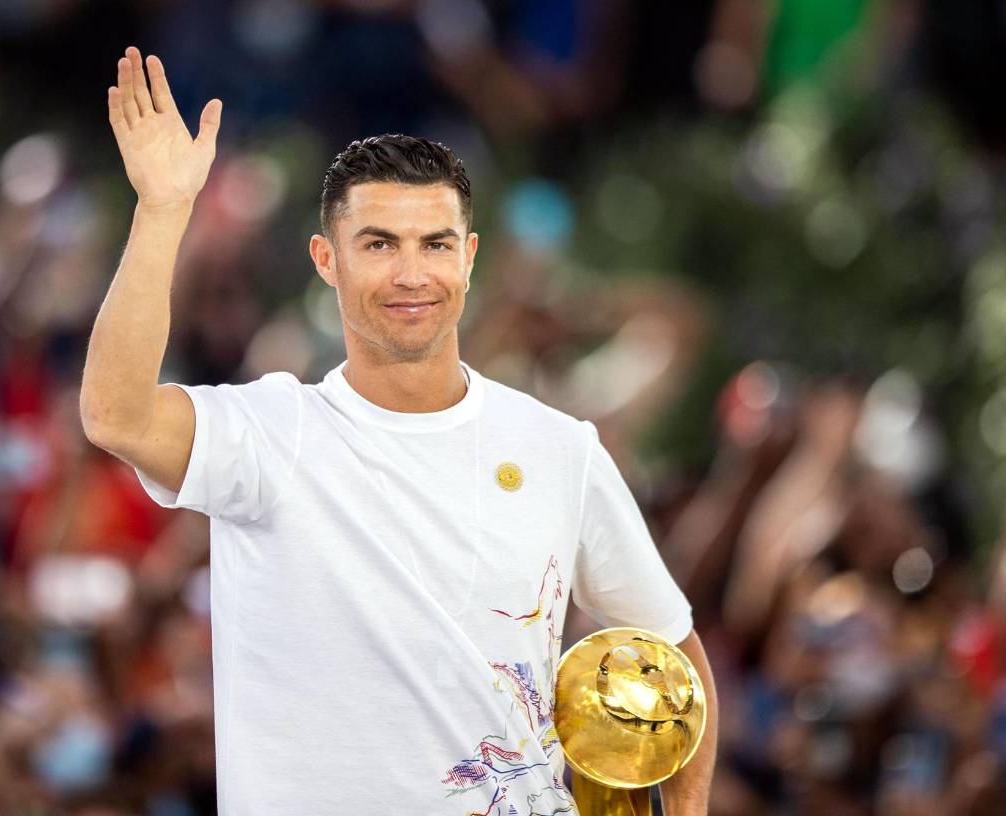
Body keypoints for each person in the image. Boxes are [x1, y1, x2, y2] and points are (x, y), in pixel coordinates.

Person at [80, 46, 718, 815]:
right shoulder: (269, 433)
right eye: (379, 244)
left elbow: (675, 659)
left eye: (435, 245)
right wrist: (162, 210)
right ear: (327, 260)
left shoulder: (561, 449)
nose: (411, 275)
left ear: (470, 259)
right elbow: (114, 413)